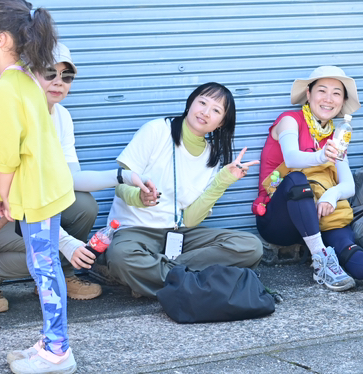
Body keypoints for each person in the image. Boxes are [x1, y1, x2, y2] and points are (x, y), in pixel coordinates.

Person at [0, 42, 148, 315]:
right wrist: (66, 243)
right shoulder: (15, 114)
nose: (59, 82)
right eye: (49, 73)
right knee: (47, 247)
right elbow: (24, 194)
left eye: (67, 76)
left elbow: (70, 179)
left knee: (82, 205)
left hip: (22, 211)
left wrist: (124, 176)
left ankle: (58, 274)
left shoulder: (61, 116)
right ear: (31, 75)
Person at [0, 0, 76, 374]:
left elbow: (6, 154)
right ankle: (52, 342)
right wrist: (2, 194)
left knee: (44, 269)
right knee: (43, 266)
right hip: (44, 188)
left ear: (1, 39)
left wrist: (2, 196)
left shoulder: (7, 86)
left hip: (36, 192)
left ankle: (58, 352)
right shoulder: (24, 77)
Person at [253, 66, 363, 300]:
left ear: (342, 102)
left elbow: (348, 185)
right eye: (322, 91)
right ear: (308, 94)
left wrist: (331, 195)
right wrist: (321, 156)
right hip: (278, 221)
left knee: (345, 244)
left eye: (336, 93)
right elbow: (291, 158)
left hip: (318, 216)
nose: (328, 99)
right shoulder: (290, 120)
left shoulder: (337, 136)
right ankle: (321, 260)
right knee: (297, 180)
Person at [99, 82, 264, 299]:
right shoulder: (156, 130)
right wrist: (138, 197)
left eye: (216, 110)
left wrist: (222, 181)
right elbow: (120, 183)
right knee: (121, 256)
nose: (206, 112)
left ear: (222, 122)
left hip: (178, 234)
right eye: (202, 102)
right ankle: (196, 283)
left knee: (250, 247)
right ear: (190, 103)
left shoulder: (212, 157)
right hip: (135, 231)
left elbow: (190, 219)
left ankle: (153, 277)